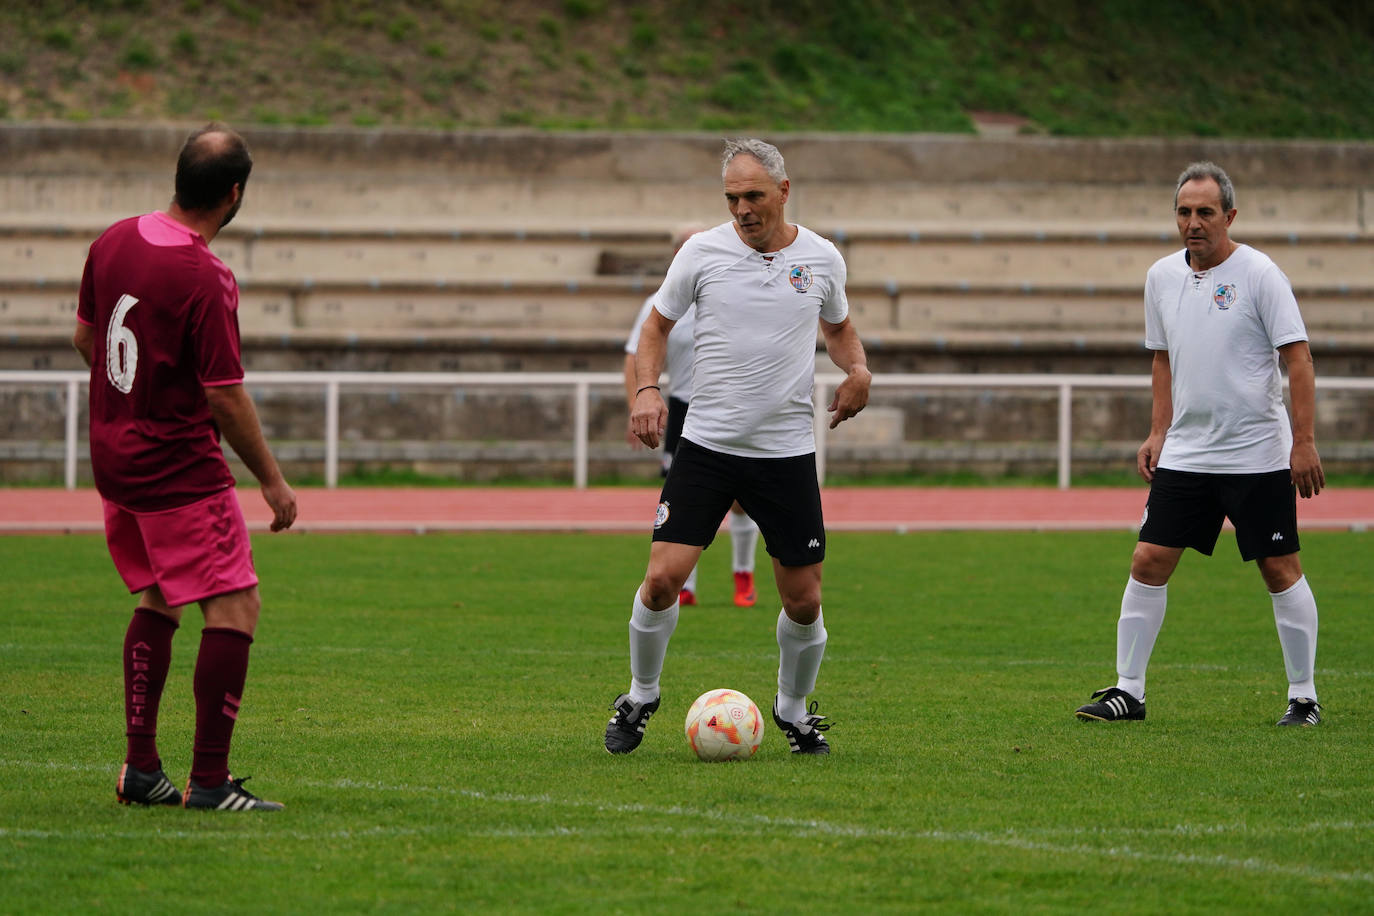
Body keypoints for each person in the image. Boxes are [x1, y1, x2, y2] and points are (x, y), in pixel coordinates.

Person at [604, 138, 872, 755]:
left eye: (753, 196)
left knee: (803, 600)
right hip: (707, 446)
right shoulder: (701, 252)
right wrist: (647, 391)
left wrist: (857, 371)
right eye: (731, 198)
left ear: (783, 190)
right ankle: (641, 695)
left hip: (784, 454)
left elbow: (839, 327)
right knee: (661, 582)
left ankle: (793, 709)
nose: (742, 209)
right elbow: (655, 326)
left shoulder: (822, 258)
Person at [73, 123, 298, 810]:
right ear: (234, 195)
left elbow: (86, 336)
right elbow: (224, 396)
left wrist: (134, 400)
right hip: (176, 465)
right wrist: (272, 479)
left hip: (114, 454)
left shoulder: (113, 239)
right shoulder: (205, 275)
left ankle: (141, 769)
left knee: (160, 594)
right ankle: (208, 782)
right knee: (236, 602)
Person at [1074, 161, 1325, 727]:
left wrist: (1303, 441)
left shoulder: (1261, 274)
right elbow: (1162, 358)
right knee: (1148, 560)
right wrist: (1158, 430)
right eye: (1184, 212)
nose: (1193, 223)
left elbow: (1298, 358)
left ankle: (1303, 696)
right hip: (1188, 452)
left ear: (1229, 216)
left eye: (1205, 212)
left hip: (1257, 452)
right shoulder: (1160, 276)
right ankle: (1128, 691)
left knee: (1279, 568)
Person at [623, 225, 761, 608]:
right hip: (684, 407)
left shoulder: (729, 293)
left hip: (728, 406)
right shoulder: (660, 300)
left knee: (739, 500)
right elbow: (635, 354)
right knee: (685, 499)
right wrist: (637, 401)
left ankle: (743, 575)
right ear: (676, 255)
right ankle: (686, 586)